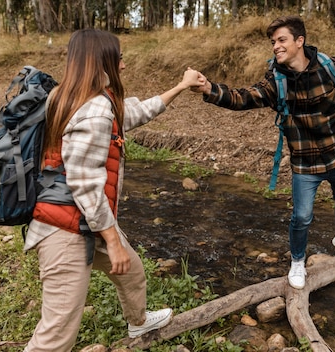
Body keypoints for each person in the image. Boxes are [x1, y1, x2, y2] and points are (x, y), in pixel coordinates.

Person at [22, 28, 203, 351]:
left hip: (79, 221)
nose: (123, 64)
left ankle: (139, 322)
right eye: (118, 58)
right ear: (101, 61)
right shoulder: (94, 111)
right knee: (57, 333)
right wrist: (112, 240)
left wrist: (180, 86)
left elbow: (136, 112)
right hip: (65, 232)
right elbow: (84, 182)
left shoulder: (71, 97)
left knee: (131, 271)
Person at [191, 15, 335, 290]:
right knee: (301, 216)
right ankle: (298, 260)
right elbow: (242, 98)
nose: (276, 46)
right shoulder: (276, 82)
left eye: (282, 40)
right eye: (273, 42)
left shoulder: (329, 66)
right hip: (305, 162)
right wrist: (209, 88)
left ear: (300, 41)